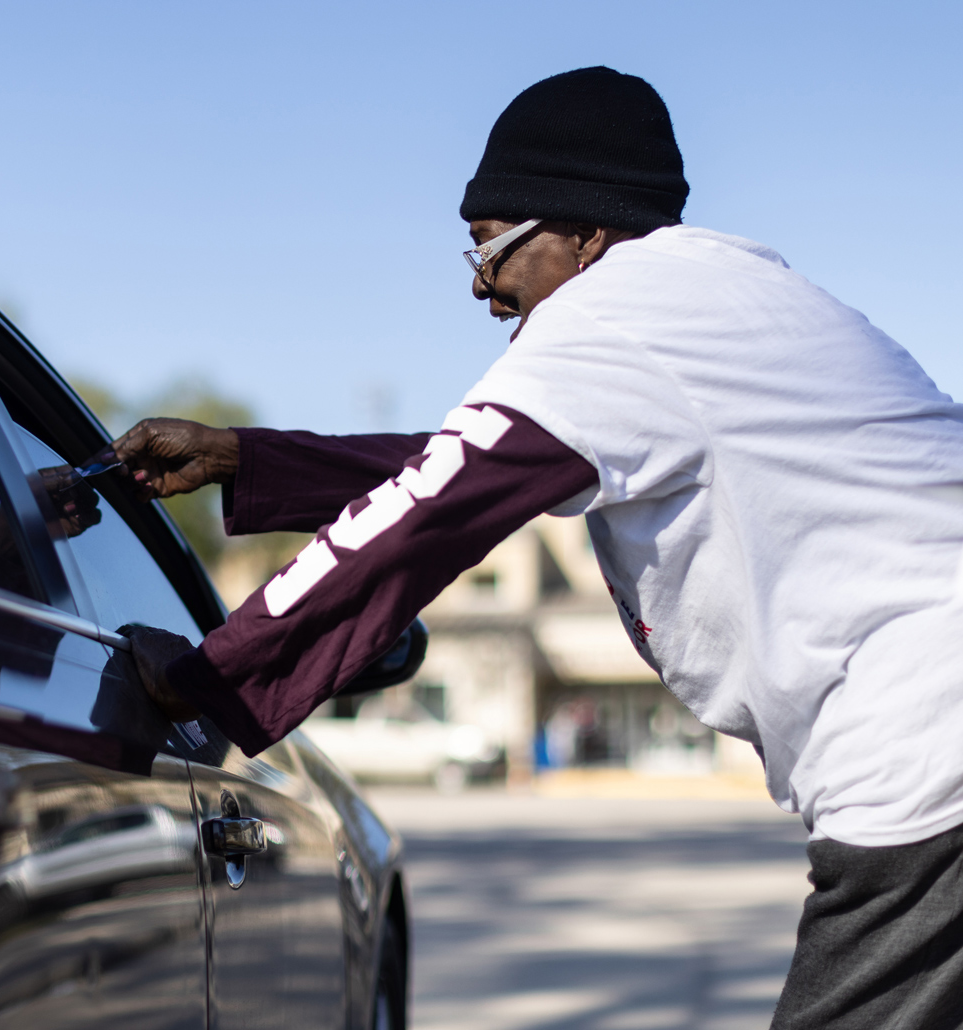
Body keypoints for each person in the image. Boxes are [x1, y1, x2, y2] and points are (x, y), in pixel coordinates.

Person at [104, 66, 963, 1029]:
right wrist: (245, 458)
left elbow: (422, 520)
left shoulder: (607, 321)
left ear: (584, 232)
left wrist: (204, 679)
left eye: (490, 248)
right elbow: (472, 467)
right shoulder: (729, 297)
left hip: (930, 742)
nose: (482, 288)